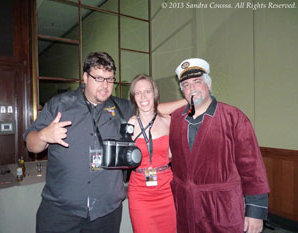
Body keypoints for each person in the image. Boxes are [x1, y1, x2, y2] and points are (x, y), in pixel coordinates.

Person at [24, 51, 185, 233]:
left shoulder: (121, 107)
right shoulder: (60, 104)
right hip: (62, 211)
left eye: (110, 79)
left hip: (105, 213)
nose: (105, 85)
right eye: (99, 78)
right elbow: (31, 143)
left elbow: (152, 109)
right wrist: (44, 135)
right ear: (85, 77)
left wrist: (187, 100)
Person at [169, 58, 270, 233]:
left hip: (222, 209)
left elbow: (253, 168)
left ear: (208, 84)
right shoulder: (176, 119)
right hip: (186, 209)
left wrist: (255, 212)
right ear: (182, 91)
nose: (192, 88)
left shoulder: (233, 117)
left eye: (197, 82)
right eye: (186, 84)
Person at [127, 74, 177, 233]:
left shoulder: (168, 121)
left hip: (167, 190)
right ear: (133, 97)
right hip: (140, 192)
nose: (143, 97)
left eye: (147, 91)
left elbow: (175, 155)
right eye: (138, 93)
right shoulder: (130, 124)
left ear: (154, 94)